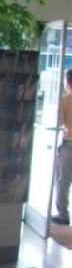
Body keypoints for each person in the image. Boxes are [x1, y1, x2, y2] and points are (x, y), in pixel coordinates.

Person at [53, 69, 72, 225]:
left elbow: (59, 123)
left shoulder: (65, 100)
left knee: (63, 181)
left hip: (69, 144)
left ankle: (63, 214)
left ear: (67, 82)